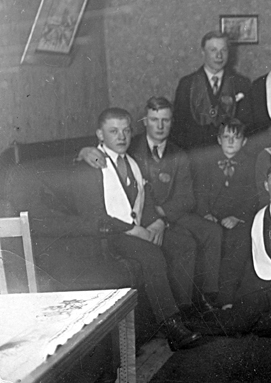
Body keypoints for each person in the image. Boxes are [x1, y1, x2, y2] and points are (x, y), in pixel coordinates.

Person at [70, 108, 201, 350]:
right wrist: (133, 230)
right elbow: (94, 217)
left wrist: (158, 222)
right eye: (113, 131)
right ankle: (171, 326)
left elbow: (144, 200)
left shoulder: (132, 162)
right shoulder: (91, 165)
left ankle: (182, 311)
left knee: (183, 244)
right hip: (110, 236)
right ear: (100, 134)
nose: (122, 137)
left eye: (126, 131)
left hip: (135, 229)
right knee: (152, 255)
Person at [77, 97, 223, 313]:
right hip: (129, 223)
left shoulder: (177, 153)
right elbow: (97, 156)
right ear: (145, 121)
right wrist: (82, 152)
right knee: (166, 248)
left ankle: (196, 304)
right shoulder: (128, 148)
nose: (160, 126)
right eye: (154, 120)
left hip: (162, 215)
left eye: (166, 120)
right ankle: (173, 316)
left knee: (201, 236)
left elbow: (186, 197)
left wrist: (160, 219)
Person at [190, 164, 271, 337]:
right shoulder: (252, 218)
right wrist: (227, 301)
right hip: (255, 294)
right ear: (266, 185)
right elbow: (234, 263)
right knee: (239, 320)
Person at [192, 118, 256, 307]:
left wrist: (238, 217)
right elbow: (199, 191)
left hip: (236, 219)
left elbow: (252, 196)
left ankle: (228, 296)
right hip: (211, 218)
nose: (230, 141)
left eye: (236, 138)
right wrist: (205, 213)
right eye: (226, 137)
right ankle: (209, 294)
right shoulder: (207, 162)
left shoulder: (250, 163)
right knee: (210, 240)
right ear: (219, 139)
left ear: (244, 141)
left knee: (239, 242)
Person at [172, 31, 253, 151]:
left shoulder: (241, 84)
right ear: (203, 52)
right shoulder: (187, 84)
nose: (219, 56)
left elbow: (247, 125)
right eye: (213, 50)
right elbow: (179, 127)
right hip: (196, 154)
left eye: (223, 50)